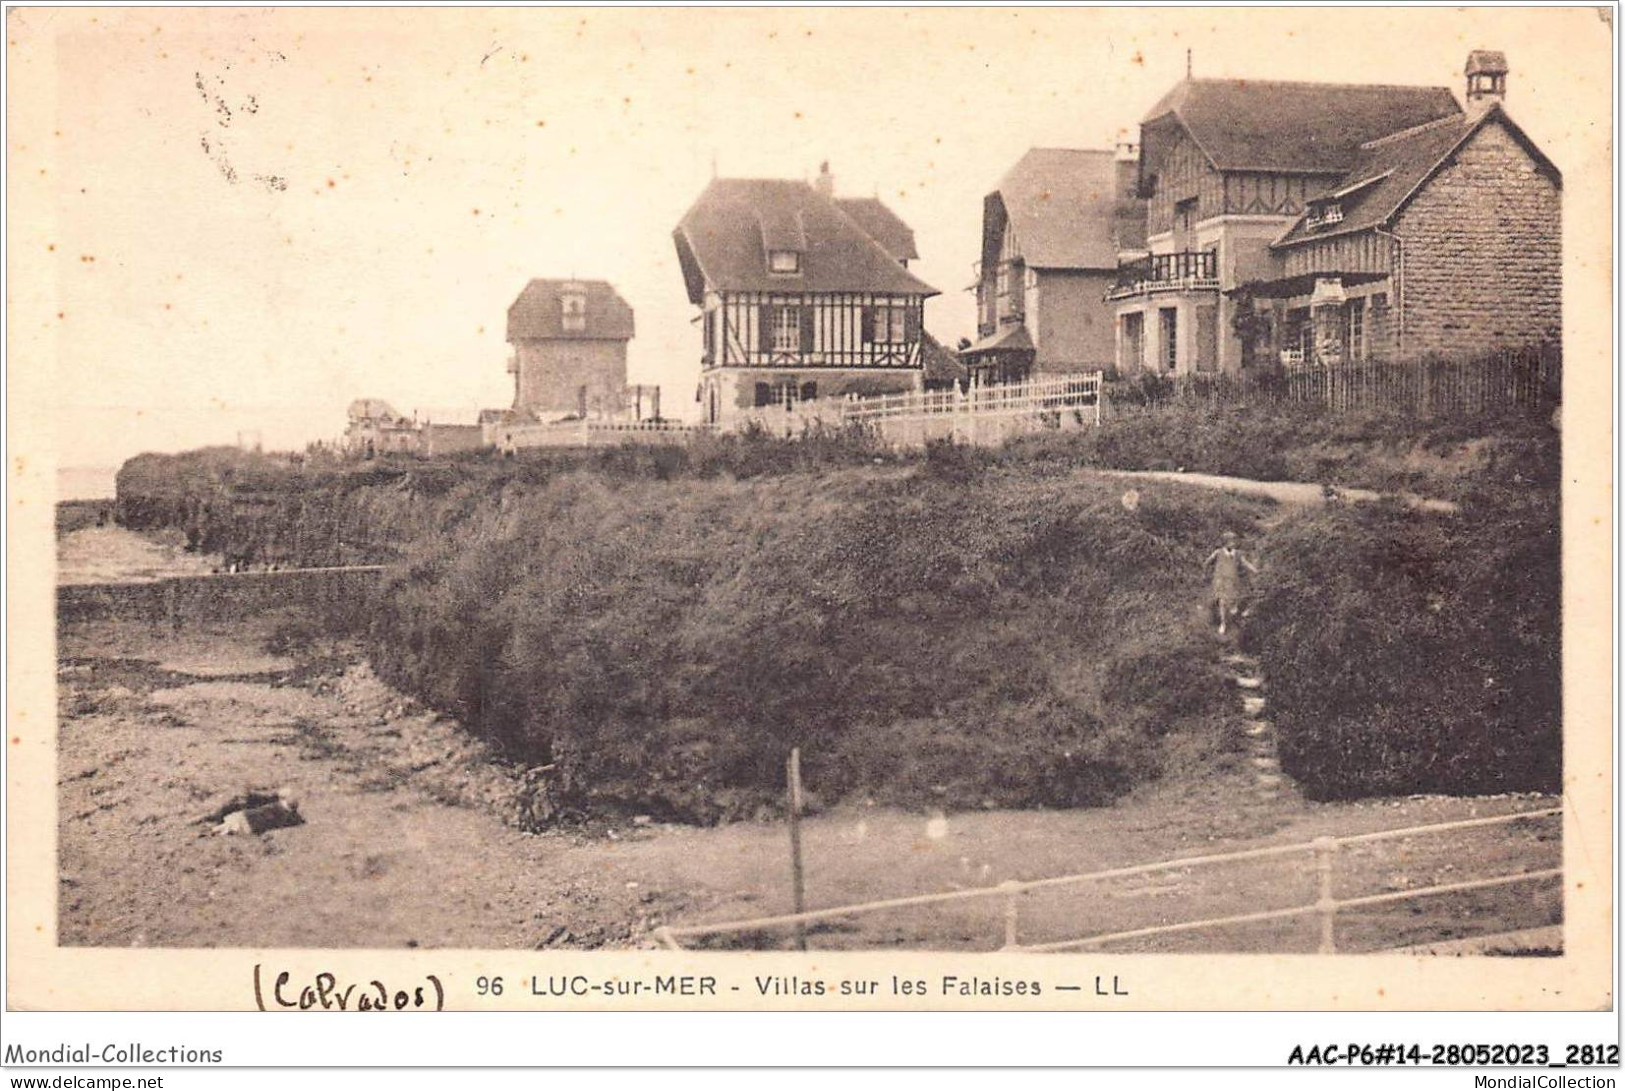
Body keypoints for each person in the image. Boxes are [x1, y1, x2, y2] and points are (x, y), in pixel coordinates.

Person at [1203, 531, 1259, 636]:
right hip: (1220, 581)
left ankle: (1234, 617)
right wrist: (1205, 573)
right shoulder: (1218, 552)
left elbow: (1245, 563)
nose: (1233, 543)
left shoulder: (1237, 554)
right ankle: (1223, 623)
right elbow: (1207, 562)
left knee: (1233, 602)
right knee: (1222, 601)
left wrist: (1255, 570)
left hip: (1233, 581)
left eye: (1234, 541)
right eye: (1230, 541)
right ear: (1225, 542)